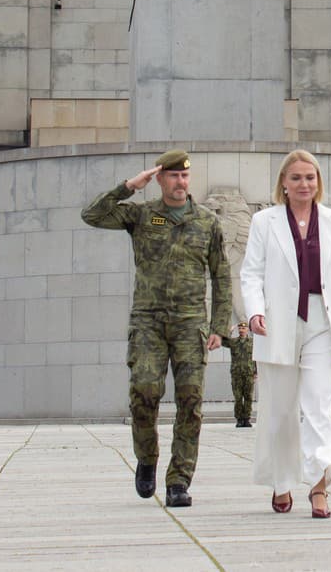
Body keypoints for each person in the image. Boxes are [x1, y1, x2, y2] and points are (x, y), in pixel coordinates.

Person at [82, 149, 231, 508]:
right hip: (148, 321)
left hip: (190, 322)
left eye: (185, 176)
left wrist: (219, 325)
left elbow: (222, 275)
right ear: (160, 179)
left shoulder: (207, 221)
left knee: (190, 401)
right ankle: (147, 458)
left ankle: (179, 480)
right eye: (173, 176)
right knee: (144, 394)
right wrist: (129, 187)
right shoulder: (142, 215)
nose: (180, 182)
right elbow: (92, 214)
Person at [240, 150, 331, 519]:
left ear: (318, 181)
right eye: (296, 178)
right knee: (279, 411)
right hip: (278, 322)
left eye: (310, 177)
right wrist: (254, 312)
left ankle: (319, 485)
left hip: (323, 323)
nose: (304, 184)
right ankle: (281, 481)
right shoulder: (264, 222)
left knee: (318, 406)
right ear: (283, 182)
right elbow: (251, 273)